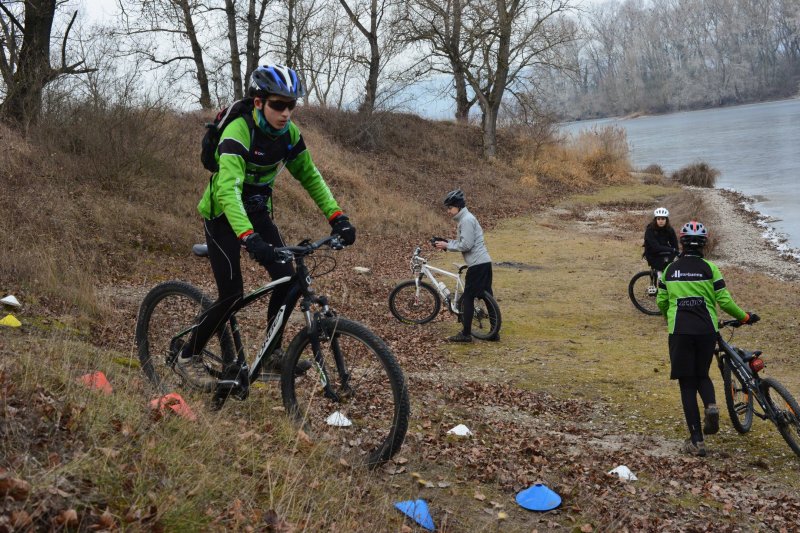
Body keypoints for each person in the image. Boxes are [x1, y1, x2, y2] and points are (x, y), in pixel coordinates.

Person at [177, 64, 356, 388]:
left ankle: (272, 356)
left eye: (291, 105)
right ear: (259, 102)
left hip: (257, 211)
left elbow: (310, 176)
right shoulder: (238, 132)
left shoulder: (289, 135)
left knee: (289, 280)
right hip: (222, 215)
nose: (286, 113)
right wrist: (248, 237)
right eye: (278, 105)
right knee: (232, 294)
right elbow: (227, 189)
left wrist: (337, 216)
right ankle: (188, 355)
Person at [656, 220, 758, 457]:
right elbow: (724, 301)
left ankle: (697, 441)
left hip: (680, 331)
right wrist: (744, 317)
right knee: (702, 374)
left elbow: (661, 301)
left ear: (681, 242)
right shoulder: (710, 269)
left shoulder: (670, 270)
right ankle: (711, 406)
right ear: (704, 244)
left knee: (686, 384)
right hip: (706, 330)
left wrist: (668, 316)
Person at [432, 189, 498, 343]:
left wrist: (448, 246)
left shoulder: (466, 220)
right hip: (483, 262)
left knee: (468, 298)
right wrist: (446, 243)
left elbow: (466, 245)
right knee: (487, 296)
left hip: (477, 265)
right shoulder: (466, 218)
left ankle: (466, 334)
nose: (448, 211)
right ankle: (494, 332)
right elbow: (464, 242)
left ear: (458, 206)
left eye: (450, 208)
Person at [643, 207, 679, 278]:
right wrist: (671, 249)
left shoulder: (669, 229)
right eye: (658, 219)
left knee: (674, 266)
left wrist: (676, 252)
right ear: (655, 219)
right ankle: (660, 282)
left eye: (663, 219)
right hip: (652, 253)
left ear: (666, 220)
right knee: (660, 271)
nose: (661, 221)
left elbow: (675, 245)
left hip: (664, 251)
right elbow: (656, 247)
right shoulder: (650, 230)